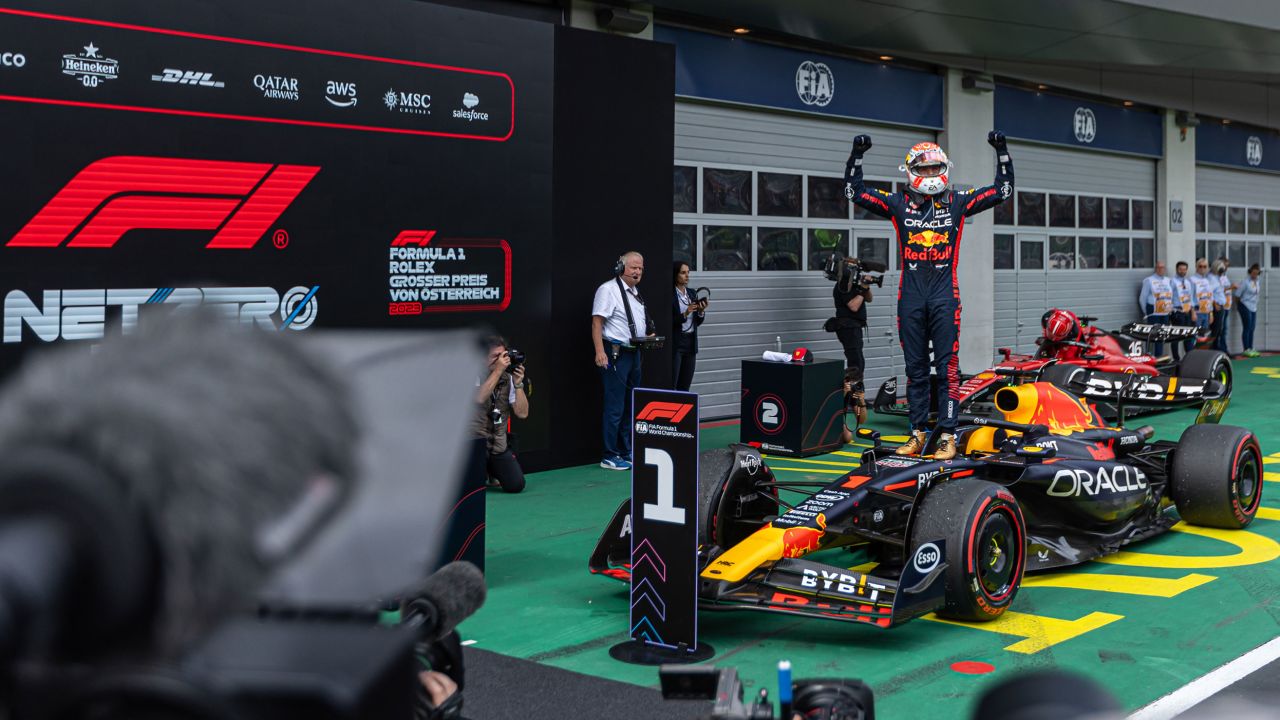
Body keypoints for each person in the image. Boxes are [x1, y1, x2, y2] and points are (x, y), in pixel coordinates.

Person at [845, 130, 1013, 460]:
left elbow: (1002, 191)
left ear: (945, 170)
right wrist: (857, 155)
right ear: (910, 172)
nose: (930, 175)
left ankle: (947, 436)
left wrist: (1002, 151)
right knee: (916, 369)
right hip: (910, 296)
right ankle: (918, 434)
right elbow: (854, 191)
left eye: (936, 169)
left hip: (943, 295)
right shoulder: (897, 202)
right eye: (923, 170)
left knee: (948, 368)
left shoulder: (959, 201)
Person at [592, 251, 652, 471]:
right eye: (633, 267)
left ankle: (625, 450)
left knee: (630, 404)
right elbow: (597, 323)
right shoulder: (608, 290)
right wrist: (600, 352)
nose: (637, 272)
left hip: (634, 351)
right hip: (615, 352)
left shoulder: (635, 293)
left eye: (641, 268)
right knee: (615, 406)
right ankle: (609, 454)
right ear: (620, 267)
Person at [473, 335, 529, 493]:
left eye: (503, 355)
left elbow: (522, 413)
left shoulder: (509, 377)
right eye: (495, 356)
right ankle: (483, 472)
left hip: (497, 445)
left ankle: (493, 471)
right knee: (473, 488)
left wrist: (518, 385)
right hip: (474, 444)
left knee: (516, 485)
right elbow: (479, 398)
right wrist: (497, 371)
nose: (501, 360)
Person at [829, 260, 873, 376]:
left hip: (855, 327)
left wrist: (866, 287)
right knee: (855, 363)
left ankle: (855, 390)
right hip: (848, 327)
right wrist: (862, 289)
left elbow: (869, 299)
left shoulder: (853, 284)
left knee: (858, 361)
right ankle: (853, 391)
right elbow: (853, 306)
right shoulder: (843, 286)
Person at [672, 260, 707, 392]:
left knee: (685, 385)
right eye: (683, 273)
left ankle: (684, 412)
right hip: (677, 343)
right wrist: (685, 313)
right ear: (675, 275)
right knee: (673, 384)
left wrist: (701, 311)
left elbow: (696, 322)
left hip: (690, 343)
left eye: (688, 272)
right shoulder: (670, 294)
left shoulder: (692, 293)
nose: (687, 276)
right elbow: (668, 320)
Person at [1138, 260, 1174, 357]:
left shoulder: (1168, 280)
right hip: (1153, 313)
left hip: (1165, 313)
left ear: (1165, 269)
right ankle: (1149, 357)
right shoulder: (1149, 280)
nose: (1160, 269)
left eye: (1162, 267)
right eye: (1158, 267)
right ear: (1155, 268)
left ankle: (1158, 357)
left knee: (1161, 337)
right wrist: (1146, 313)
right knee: (1151, 336)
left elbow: (1171, 296)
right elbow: (1142, 298)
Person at [1169, 260, 1196, 360]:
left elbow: (1191, 298)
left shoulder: (1188, 282)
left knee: (1188, 336)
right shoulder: (1172, 281)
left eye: (1184, 269)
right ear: (1177, 269)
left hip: (1187, 312)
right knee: (1176, 337)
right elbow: (1169, 297)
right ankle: (1176, 359)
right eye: (1180, 269)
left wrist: (1193, 312)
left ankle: (1189, 358)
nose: (1182, 271)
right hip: (1177, 312)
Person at [1236, 263, 1261, 357]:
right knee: (1247, 327)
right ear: (1250, 272)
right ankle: (1246, 349)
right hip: (1245, 305)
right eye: (1253, 273)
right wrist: (1239, 306)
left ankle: (1251, 347)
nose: (1255, 275)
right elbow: (1237, 295)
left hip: (1254, 306)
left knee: (1252, 327)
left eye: (1257, 273)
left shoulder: (1257, 281)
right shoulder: (1245, 282)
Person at [1190, 258, 1217, 347]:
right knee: (1195, 336)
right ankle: (1193, 356)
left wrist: (1211, 313)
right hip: (1197, 313)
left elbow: (1210, 297)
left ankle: (1202, 355)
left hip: (1206, 312)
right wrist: (1193, 312)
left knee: (1205, 336)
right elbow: (1190, 297)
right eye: (1200, 266)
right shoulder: (1192, 280)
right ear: (1196, 267)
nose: (1202, 268)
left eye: (1204, 266)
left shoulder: (1207, 280)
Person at [1213, 257, 1236, 353]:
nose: (1226, 267)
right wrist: (1231, 287)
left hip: (1226, 305)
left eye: (1227, 266)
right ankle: (1220, 349)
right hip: (1219, 306)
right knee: (1219, 329)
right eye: (1224, 265)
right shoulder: (1214, 277)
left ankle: (1223, 349)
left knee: (1224, 330)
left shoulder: (1223, 277)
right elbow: (1217, 291)